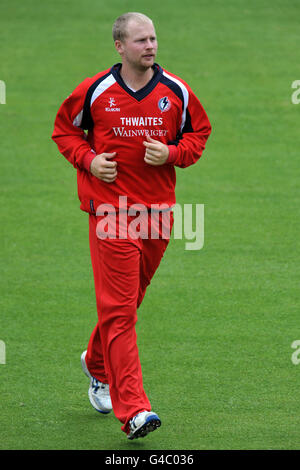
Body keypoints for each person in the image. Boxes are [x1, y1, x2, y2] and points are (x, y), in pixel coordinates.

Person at [52, 12, 211, 440]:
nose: (151, 46)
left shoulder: (176, 91)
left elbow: (199, 136)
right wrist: (89, 160)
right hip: (110, 215)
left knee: (128, 301)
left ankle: (97, 363)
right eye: (141, 40)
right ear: (119, 47)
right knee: (120, 312)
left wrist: (173, 154)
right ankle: (136, 410)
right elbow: (64, 131)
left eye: (154, 38)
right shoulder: (95, 91)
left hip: (157, 216)